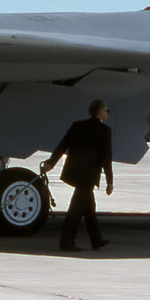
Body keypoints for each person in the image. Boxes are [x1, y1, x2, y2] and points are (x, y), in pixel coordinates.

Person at [40, 100, 114, 251]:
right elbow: (106, 157)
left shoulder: (77, 125)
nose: (108, 113)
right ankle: (66, 242)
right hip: (88, 176)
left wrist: (51, 163)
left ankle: (96, 240)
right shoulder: (104, 130)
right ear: (101, 112)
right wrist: (109, 181)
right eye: (107, 110)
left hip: (74, 172)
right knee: (75, 210)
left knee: (89, 208)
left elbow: (63, 145)